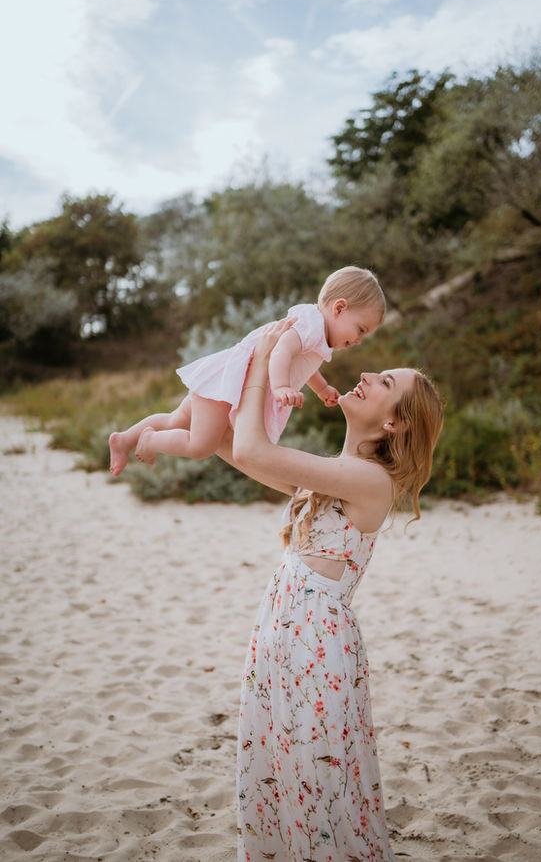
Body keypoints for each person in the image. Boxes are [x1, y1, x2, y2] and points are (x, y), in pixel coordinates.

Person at [216, 317, 444, 861]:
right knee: (275, 773)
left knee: (316, 785)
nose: (365, 373)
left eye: (385, 383)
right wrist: (239, 370)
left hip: (316, 646)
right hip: (280, 635)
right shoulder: (332, 471)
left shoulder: (370, 482)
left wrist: (265, 367)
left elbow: (251, 451)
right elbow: (229, 444)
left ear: (393, 423)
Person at [108, 266, 386, 476]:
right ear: (339, 308)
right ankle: (149, 440)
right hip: (232, 382)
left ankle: (124, 439)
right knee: (201, 445)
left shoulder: (318, 333)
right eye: (360, 329)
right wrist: (279, 387)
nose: (359, 339)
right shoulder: (311, 326)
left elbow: (303, 365)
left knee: (177, 419)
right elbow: (281, 352)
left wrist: (321, 388)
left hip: (227, 377)